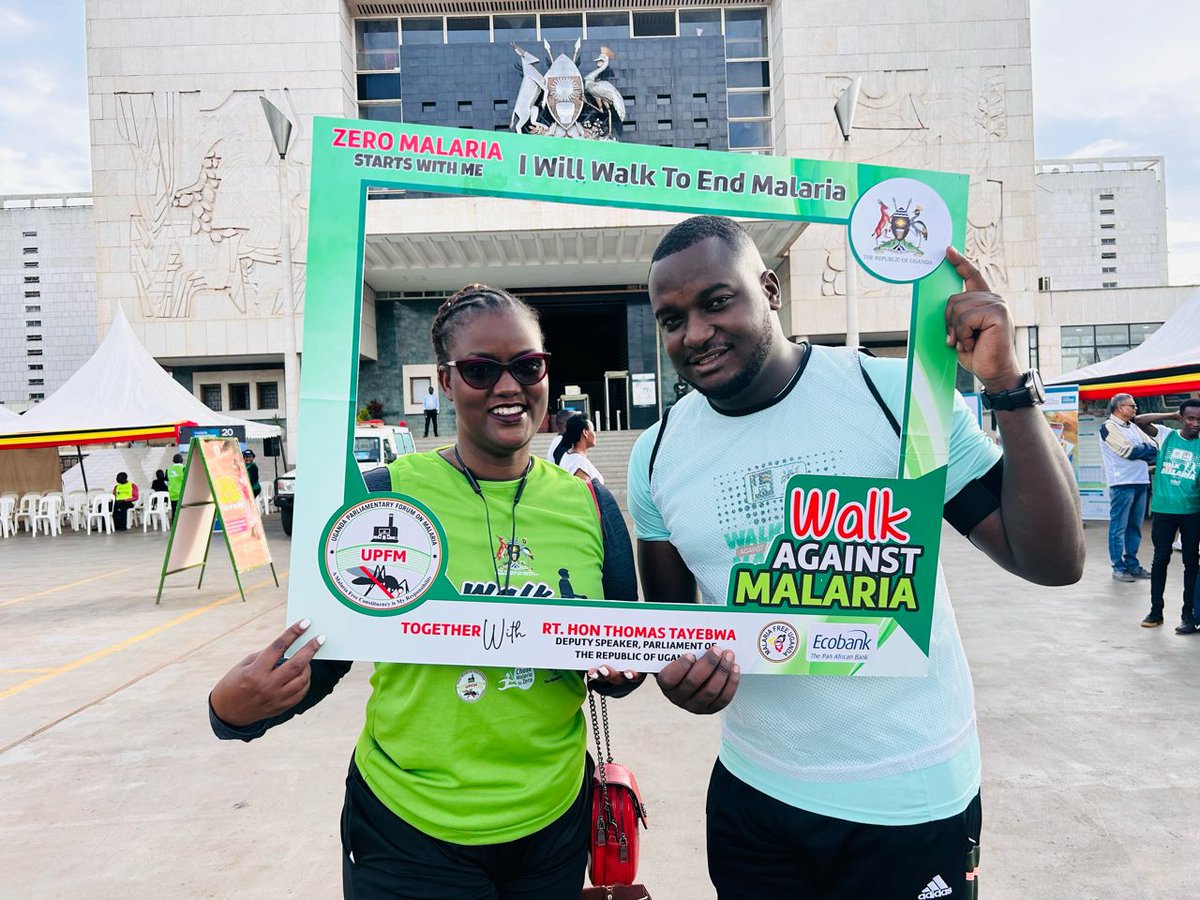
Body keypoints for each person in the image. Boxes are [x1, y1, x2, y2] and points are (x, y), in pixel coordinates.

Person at [627, 216, 1084, 900]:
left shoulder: (896, 398)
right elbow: (672, 633)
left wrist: (1008, 387)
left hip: (910, 798)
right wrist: (682, 682)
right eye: (671, 319)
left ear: (769, 288)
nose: (693, 334)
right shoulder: (655, 455)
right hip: (754, 797)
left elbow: (1052, 559)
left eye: (717, 301)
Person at [209, 284, 641, 899]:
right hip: (408, 831)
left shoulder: (589, 503)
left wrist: (624, 669)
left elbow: (624, 651)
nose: (508, 386)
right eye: (479, 369)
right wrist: (236, 710)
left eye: (527, 365)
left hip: (552, 828)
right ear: (444, 379)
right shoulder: (385, 497)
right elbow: (328, 655)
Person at [1129, 399, 1200, 630]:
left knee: (1191, 563)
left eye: (1199, 419)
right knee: (1161, 560)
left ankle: (1188, 614)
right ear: (1182, 417)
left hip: (1192, 512)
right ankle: (1155, 612)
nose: (1195, 423)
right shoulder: (1165, 435)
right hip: (1163, 511)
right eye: (1190, 418)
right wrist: (1172, 414)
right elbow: (1138, 420)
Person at [1099, 392, 1157, 581]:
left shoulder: (1132, 427)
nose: (1135, 408)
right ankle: (1118, 567)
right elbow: (1127, 451)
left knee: (1134, 527)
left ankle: (1132, 564)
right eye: (1131, 406)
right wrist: (1143, 450)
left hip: (1141, 481)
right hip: (1121, 483)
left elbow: (1154, 447)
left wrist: (1142, 450)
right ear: (1119, 408)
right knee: (1119, 527)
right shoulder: (1108, 427)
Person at [553, 413, 604, 484]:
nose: (595, 434)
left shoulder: (568, 456)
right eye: (593, 430)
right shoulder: (579, 464)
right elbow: (585, 493)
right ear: (585, 433)